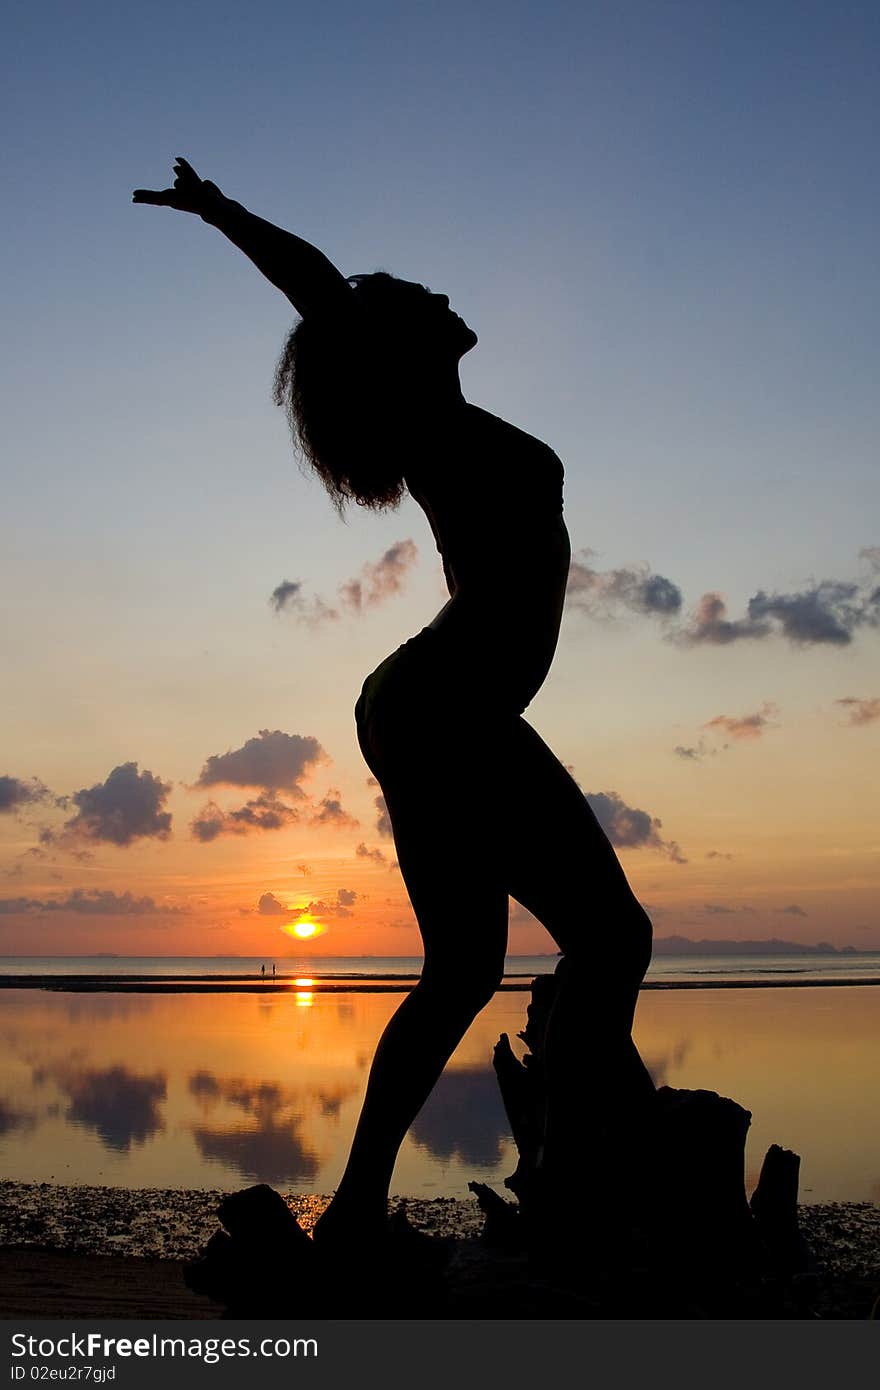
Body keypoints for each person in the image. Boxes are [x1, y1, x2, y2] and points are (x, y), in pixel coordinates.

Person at [134, 160, 655, 1256]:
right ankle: (572, 1175)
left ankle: (376, 1203)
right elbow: (322, 292)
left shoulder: (451, 416)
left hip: (436, 704)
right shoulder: (421, 415)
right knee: (608, 937)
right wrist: (222, 212)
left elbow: (343, 302)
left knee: (478, 967)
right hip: (442, 701)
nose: (438, 298)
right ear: (393, 343)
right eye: (414, 297)